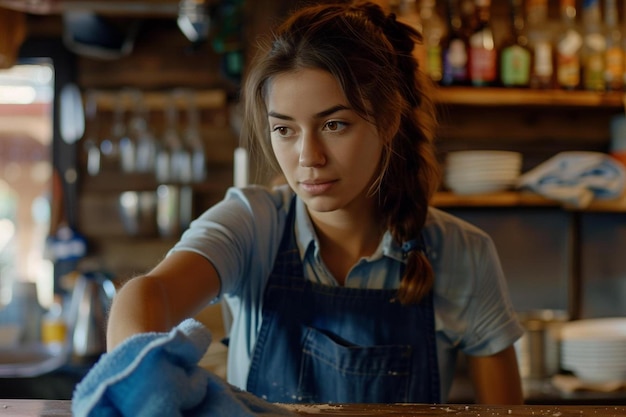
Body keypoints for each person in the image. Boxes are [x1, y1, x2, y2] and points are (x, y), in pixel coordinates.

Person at [106, 0, 524, 405]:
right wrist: (142, 393)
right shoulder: (252, 225)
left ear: (390, 119)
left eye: (333, 124)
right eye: (285, 130)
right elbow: (147, 294)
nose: (308, 157)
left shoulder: (463, 254)